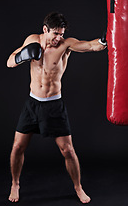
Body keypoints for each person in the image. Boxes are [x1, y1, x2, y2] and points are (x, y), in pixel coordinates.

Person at [7, 12, 107, 204]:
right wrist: (22, 56)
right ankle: (15, 184)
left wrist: (103, 40)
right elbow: (9, 61)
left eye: (61, 33)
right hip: (32, 103)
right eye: (55, 33)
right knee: (17, 147)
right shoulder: (32, 40)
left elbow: (90, 46)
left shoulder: (65, 45)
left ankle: (78, 187)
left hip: (54, 105)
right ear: (45, 29)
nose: (58, 38)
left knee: (68, 150)